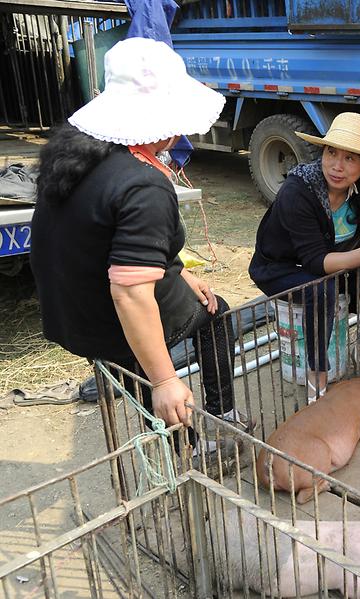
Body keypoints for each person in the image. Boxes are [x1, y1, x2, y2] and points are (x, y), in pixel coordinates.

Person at [30, 37, 249, 441]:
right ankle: (210, 426)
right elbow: (130, 294)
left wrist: (179, 274)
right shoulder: (144, 185)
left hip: (69, 314)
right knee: (217, 315)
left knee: (149, 351)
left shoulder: (78, 153)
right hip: (109, 320)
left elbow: (107, 242)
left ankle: (161, 419)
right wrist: (166, 379)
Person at [248, 113, 360, 402]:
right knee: (321, 288)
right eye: (331, 152)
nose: (337, 166)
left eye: (350, 158)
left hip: (337, 263)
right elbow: (315, 262)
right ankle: (317, 378)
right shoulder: (298, 191)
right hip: (281, 267)